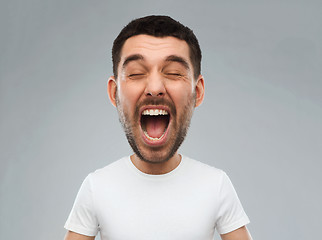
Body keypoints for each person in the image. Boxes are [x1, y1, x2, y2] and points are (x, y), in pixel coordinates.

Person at [64, 15, 252, 240]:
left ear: (198, 92)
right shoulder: (97, 186)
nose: (154, 88)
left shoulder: (216, 184)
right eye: (135, 73)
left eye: (173, 72)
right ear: (114, 93)